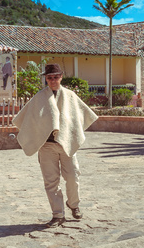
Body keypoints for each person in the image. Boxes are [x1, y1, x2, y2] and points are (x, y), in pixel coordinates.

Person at [12, 64, 98, 228]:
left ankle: (74, 204)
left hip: (67, 144)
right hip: (47, 146)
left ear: (61, 77)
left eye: (55, 77)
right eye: (49, 77)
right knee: (51, 182)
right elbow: (28, 119)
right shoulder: (39, 98)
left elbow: (79, 116)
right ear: (46, 78)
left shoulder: (70, 96)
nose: (52, 80)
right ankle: (57, 214)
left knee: (73, 176)